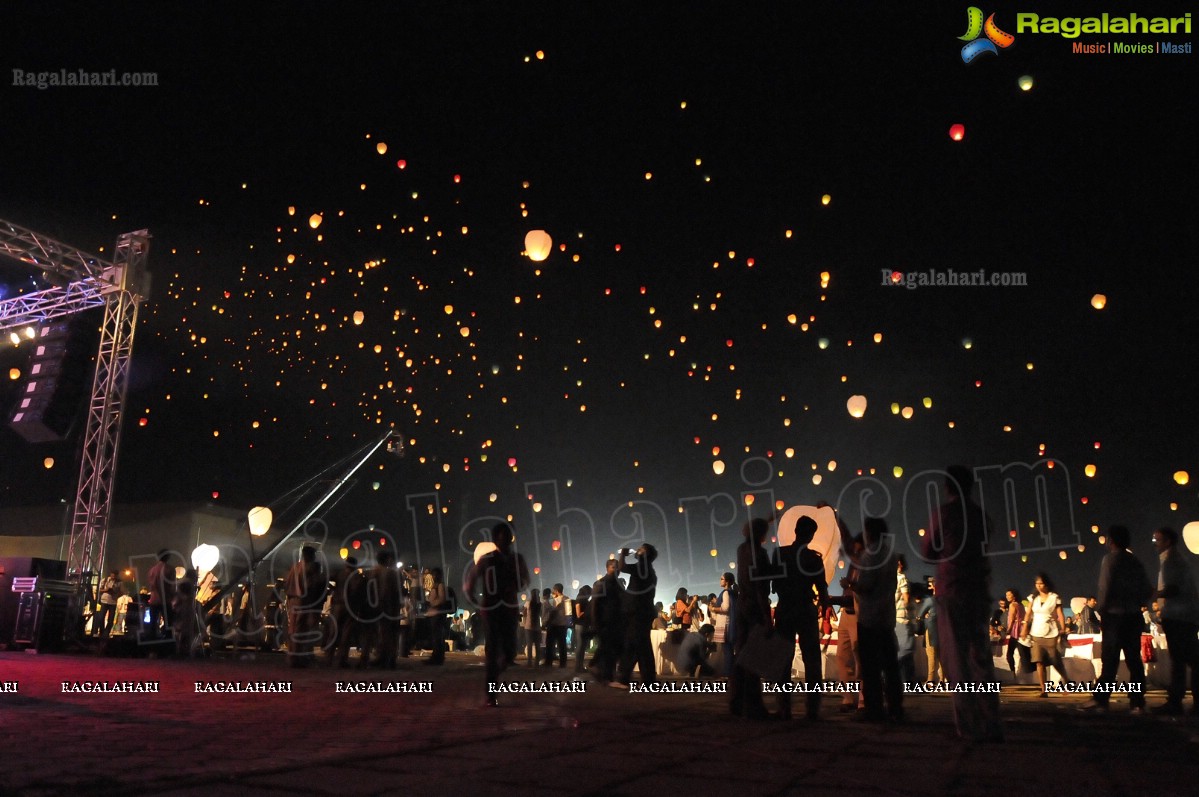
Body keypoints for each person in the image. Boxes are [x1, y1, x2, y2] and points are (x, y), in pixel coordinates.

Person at [921, 466, 1001, 740]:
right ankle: (991, 721)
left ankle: (968, 726)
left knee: (956, 659)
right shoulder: (981, 516)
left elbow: (928, 550)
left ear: (947, 487)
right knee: (981, 657)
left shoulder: (944, 513)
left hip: (952, 589)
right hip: (979, 589)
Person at [1080, 525, 1152, 713]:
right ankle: (1137, 702)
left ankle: (1101, 700)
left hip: (1114, 616)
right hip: (1133, 615)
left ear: (1111, 540)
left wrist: (1102, 610)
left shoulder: (1110, 560)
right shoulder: (1135, 561)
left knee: (1110, 659)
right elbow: (1147, 589)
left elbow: (1105, 587)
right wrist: (1137, 602)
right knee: (1133, 660)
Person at [842, 514, 901, 722]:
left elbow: (865, 587)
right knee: (890, 664)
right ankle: (895, 707)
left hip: (868, 617)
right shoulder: (891, 554)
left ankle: (873, 709)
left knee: (870, 667)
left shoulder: (869, 556)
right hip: (887, 615)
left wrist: (849, 586)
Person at [463, 523, 530, 705]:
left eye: (506, 537)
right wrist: (472, 596)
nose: (504, 541)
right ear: (495, 539)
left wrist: (517, 583)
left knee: (510, 651)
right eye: (500, 537)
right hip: (491, 609)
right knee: (492, 650)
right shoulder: (486, 559)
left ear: (510, 539)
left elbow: (526, 579)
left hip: (509, 608)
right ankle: (490, 694)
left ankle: (500, 666)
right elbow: (470, 579)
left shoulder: (517, 560)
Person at [772, 514, 829, 720]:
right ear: (810, 535)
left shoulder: (780, 554)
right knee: (812, 660)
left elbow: (774, 584)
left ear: (796, 531)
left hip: (785, 607)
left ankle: (784, 707)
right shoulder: (814, 558)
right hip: (805, 609)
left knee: (783, 660)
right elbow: (822, 590)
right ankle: (812, 708)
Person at [730, 517, 776, 719]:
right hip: (754, 605)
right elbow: (759, 586)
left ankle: (736, 702)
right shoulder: (760, 554)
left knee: (740, 655)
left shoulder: (741, 550)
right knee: (753, 657)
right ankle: (754, 706)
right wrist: (767, 616)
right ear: (763, 535)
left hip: (741, 604)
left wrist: (768, 519)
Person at [1151, 526, 1199, 715]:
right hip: (1185, 616)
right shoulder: (1178, 560)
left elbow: (1173, 589)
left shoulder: (1171, 561)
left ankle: (1176, 702)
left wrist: (1155, 593)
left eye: (1158, 540)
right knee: (1189, 660)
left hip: (1178, 616)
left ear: (1168, 541)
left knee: (1180, 661)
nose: (1155, 544)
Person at [613, 544, 658, 688]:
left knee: (636, 645)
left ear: (646, 554)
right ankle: (642, 679)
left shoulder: (641, 567)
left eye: (641, 549)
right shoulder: (648, 570)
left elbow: (621, 568)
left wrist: (623, 555)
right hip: (642, 612)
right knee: (638, 645)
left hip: (637, 612)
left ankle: (628, 678)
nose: (638, 550)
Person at [1024, 572, 1067, 696]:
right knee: (1039, 661)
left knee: (1054, 659)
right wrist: (1024, 627)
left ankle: (1065, 678)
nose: (1038, 586)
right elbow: (1028, 613)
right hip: (1036, 632)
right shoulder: (1033, 597)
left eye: (1041, 583)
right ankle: (1044, 689)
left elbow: (1060, 614)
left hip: (1050, 631)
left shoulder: (1054, 597)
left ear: (1046, 584)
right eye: (1037, 583)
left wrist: (1063, 629)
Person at [284, 545, 326, 667]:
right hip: (305, 601)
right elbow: (313, 584)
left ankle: (292, 656)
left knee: (293, 628)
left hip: (292, 600)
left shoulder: (295, 567)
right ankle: (298, 657)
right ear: (311, 555)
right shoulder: (312, 567)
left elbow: (287, 584)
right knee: (301, 629)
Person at [590, 558, 625, 682]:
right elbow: (594, 604)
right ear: (608, 568)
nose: (616, 570)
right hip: (605, 622)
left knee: (612, 649)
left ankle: (605, 673)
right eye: (613, 567)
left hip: (617, 622)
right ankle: (602, 672)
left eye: (617, 567)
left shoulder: (618, 584)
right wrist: (596, 623)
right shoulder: (601, 583)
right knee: (607, 648)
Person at [895, 556, 916, 687]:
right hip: (902, 618)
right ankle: (906, 682)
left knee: (897, 649)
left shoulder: (888, 579)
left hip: (892, 618)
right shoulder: (901, 578)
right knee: (906, 650)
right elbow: (906, 598)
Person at [146, 550, 176, 643]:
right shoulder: (170, 569)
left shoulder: (152, 570)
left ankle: (151, 646)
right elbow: (172, 587)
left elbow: (151, 586)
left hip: (154, 599)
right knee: (168, 624)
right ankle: (167, 646)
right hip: (165, 600)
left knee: (153, 623)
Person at [709, 572, 736, 676]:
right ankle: (729, 671)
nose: (720, 581)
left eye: (722, 579)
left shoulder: (726, 592)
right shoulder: (732, 592)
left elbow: (725, 608)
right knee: (729, 649)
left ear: (727, 581)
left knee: (727, 650)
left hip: (725, 624)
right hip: (728, 623)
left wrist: (713, 608)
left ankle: (728, 673)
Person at [920, 581, 943, 685]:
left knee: (931, 656)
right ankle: (943, 680)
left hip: (932, 631)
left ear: (934, 587)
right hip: (943, 632)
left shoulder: (931, 600)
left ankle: (930, 680)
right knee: (942, 657)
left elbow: (920, 614)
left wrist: (925, 617)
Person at [425, 567, 449, 665]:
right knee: (435, 636)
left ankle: (438, 657)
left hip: (438, 614)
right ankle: (436, 656)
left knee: (438, 636)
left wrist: (432, 603)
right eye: (433, 574)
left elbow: (442, 599)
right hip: (433, 613)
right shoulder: (435, 586)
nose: (433, 576)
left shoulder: (440, 585)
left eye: (435, 574)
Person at [1004, 589, 1031, 676]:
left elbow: (1011, 620)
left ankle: (1013, 673)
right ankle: (1024, 673)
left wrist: (1008, 630)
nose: (1007, 597)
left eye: (1009, 595)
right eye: (1006, 595)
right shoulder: (1020, 605)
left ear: (1014, 596)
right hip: (1022, 629)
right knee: (1022, 653)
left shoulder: (1012, 605)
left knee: (1009, 654)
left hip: (1015, 630)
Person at [543, 583, 569, 667]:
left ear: (556, 591)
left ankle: (548, 662)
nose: (552, 592)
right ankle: (563, 663)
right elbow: (569, 613)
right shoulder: (567, 599)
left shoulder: (553, 600)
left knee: (550, 644)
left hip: (553, 625)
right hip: (563, 625)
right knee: (562, 645)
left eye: (553, 590)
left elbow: (550, 613)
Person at [94, 571, 122, 640]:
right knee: (101, 617)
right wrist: (106, 590)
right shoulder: (105, 580)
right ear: (110, 574)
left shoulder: (119, 582)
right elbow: (99, 590)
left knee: (111, 619)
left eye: (115, 575)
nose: (113, 576)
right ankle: (102, 632)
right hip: (104, 601)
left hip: (113, 602)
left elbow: (121, 592)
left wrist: (115, 593)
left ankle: (106, 633)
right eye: (112, 575)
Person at [573, 584, 595, 672]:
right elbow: (578, 614)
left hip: (584, 624)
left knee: (582, 646)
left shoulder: (584, 600)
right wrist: (586, 611)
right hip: (580, 625)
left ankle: (580, 666)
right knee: (580, 646)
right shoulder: (579, 600)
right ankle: (578, 666)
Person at [522, 590, 541, 665]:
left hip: (528, 626)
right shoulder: (539, 604)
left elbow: (523, 613)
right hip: (537, 627)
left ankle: (529, 661)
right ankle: (537, 661)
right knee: (537, 645)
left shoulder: (528, 603)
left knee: (529, 645)